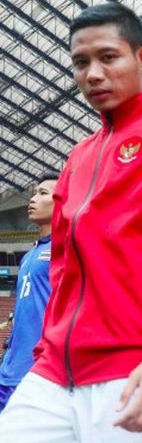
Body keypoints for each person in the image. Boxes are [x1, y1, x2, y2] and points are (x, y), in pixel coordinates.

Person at [0, 3, 142, 443]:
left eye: (108, 57)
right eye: (81, 62)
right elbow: (63, 267)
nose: (93, 74)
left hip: (136, 367)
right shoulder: (78, 157)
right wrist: (46, 346)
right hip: (53, 371)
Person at [0, 174, 58, 412]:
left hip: (37, 373)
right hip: (9, 371)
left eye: (43, 193)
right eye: (34, 192)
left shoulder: (67, 250)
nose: (33, 199)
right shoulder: (29, 256)